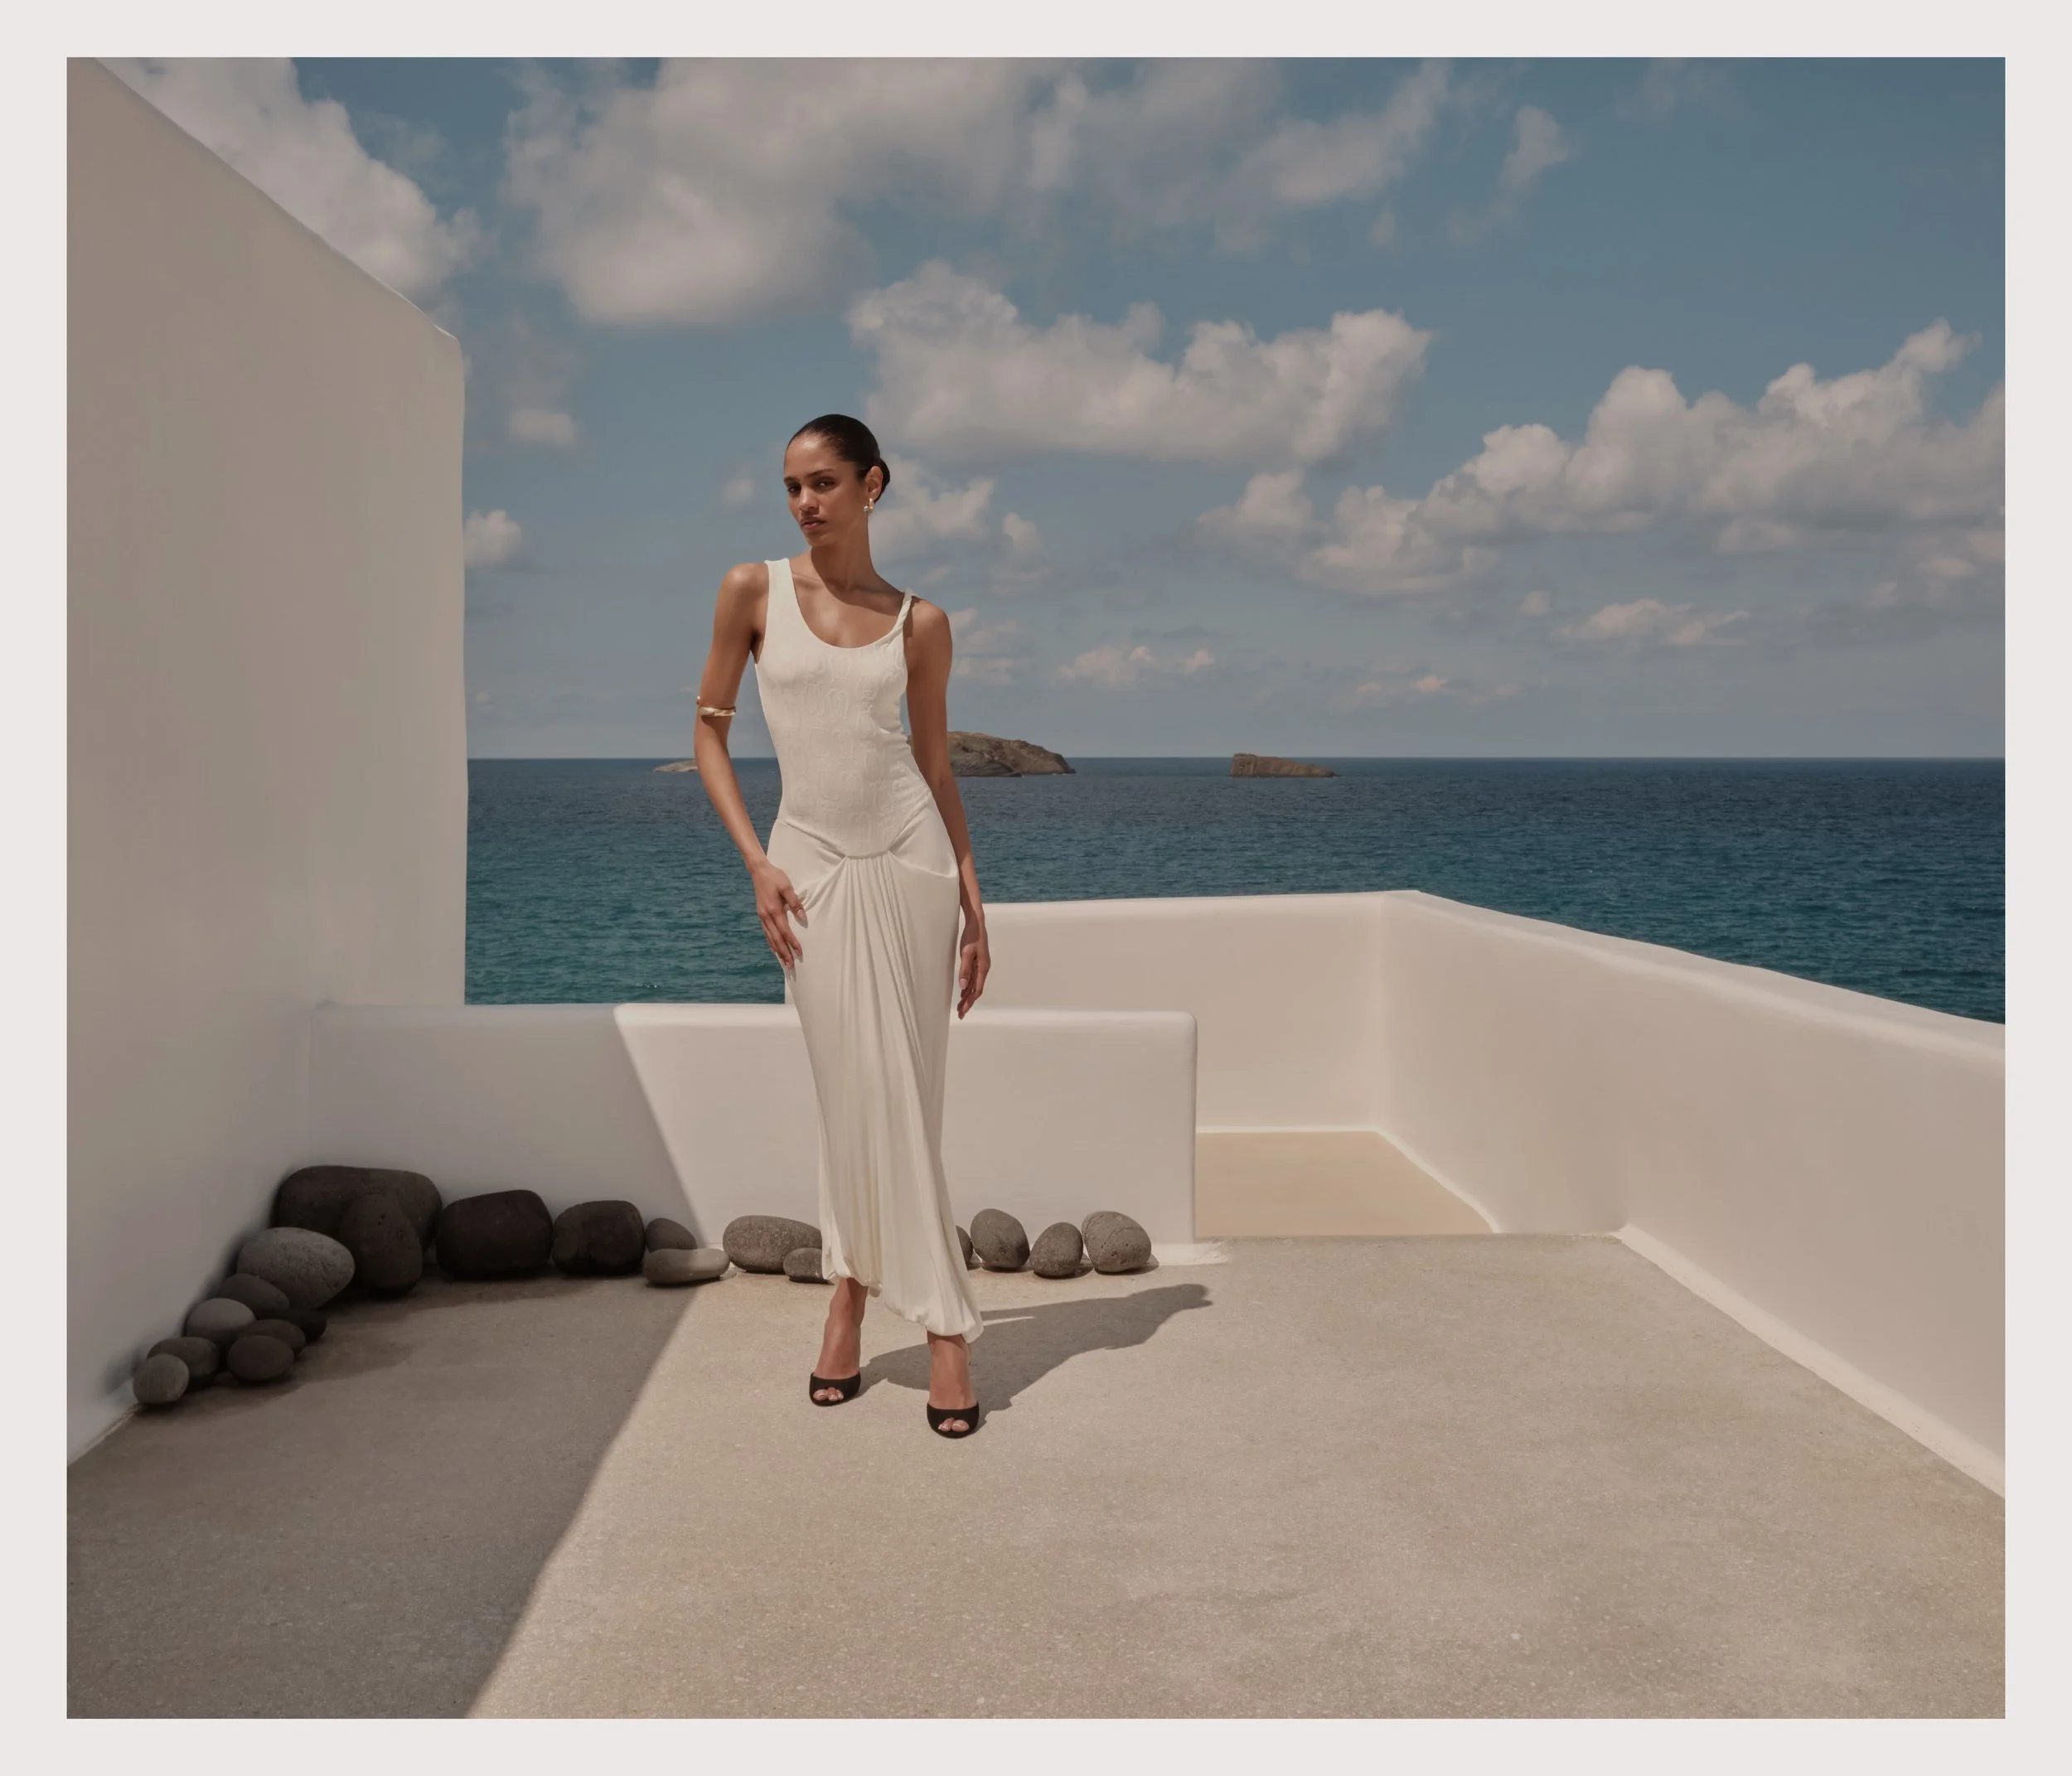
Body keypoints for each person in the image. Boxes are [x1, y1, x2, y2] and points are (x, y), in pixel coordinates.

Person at [690, 414, 990, 1439]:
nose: (804, 502)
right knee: (849, 1091)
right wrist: (758, 863)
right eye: (789, 486)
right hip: (806, 866)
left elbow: (937, 767)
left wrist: (972, 895)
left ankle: (916, 1321)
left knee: (909, 1090)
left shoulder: (921, 621)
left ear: (873, 485)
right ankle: (865, 1293)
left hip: (913, 866)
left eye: (822, 482)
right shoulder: (753, 590)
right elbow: (708, 734)